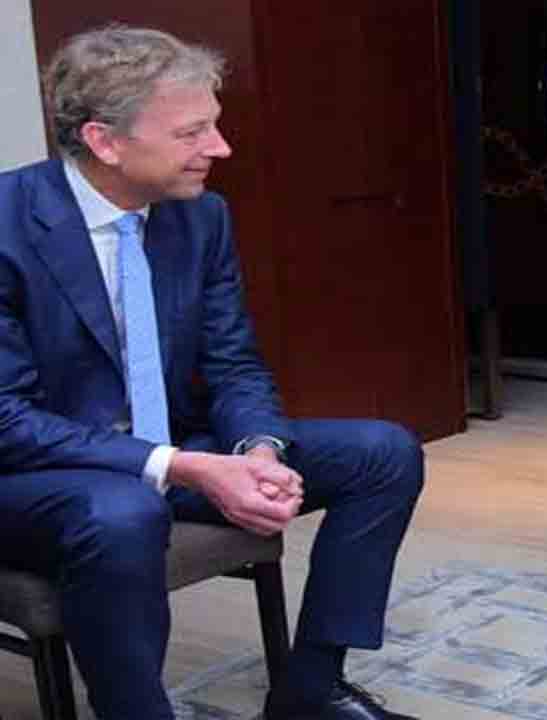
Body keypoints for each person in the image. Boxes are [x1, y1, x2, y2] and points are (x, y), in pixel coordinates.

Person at [0, 25, 425, 720]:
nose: (220, 148)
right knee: (125, 510)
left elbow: (233, 362)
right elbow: (7, 420)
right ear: (106, 141)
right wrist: (184, 467)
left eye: (214, 125)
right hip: (32, 475)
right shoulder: (6, 222)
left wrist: (259, 450)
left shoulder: (201, 218)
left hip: (166, 449)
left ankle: (311, 691)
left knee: (384, 453)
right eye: (192, 132)